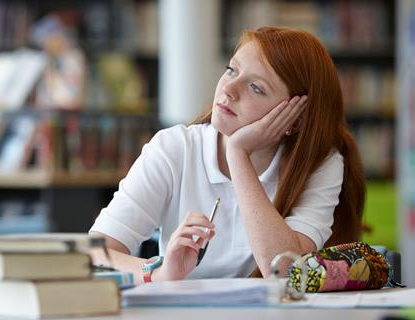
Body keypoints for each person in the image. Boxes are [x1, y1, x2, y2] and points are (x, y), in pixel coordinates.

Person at [89, 26, 365, 283]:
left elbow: (284, 271)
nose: (228, 90)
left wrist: (238, 153)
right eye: (232, 70)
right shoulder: (175, 148)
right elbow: (96, 253)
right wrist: (159, 274)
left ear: (295, 120)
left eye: (256, 87)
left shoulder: (319, 163)